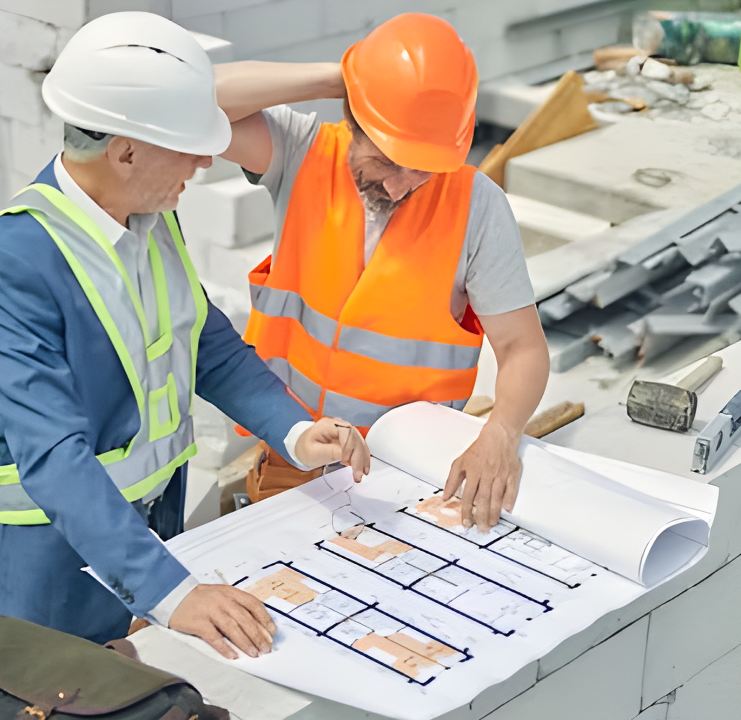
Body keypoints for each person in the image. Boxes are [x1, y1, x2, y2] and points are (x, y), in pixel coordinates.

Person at [0, 12, 369, 658]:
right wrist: (173, 592)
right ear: (126, 151)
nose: (205, 161)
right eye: (188, 145)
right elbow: (53, 456)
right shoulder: (8, 263)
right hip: (54, 576)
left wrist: (293, 431)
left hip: (155, 538)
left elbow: (206, 344)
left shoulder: (149, 216)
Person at [215, 13, 549, 532]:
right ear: (353, 118)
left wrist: (501, 435)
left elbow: (522, 348)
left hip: (410, 478)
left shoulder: (477, 206)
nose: (398, 187)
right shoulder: (300, 153)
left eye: (421, 170)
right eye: (387, 161)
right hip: (294, 456)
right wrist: (344, 78)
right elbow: (194, 102)